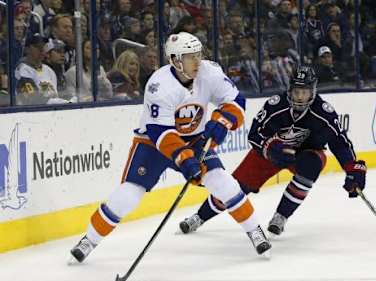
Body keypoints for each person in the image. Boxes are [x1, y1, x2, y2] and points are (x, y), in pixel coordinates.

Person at [70, 32, 271, 263]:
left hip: (194, 140)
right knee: (129, 194)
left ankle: (254, 230)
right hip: (152, 144)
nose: (197, 61)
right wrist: (184, 158)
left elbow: (236, 101)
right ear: (175, 60)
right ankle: (90, 239)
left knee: (222, 182)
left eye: (198, 55)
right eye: (189, 57)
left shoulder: (210, 71)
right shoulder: (158, 85)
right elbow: (160, 133)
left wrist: (224, 120)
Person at [179, 65, 366, 237]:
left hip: (304, 155)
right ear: (289, 89)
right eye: (296, 91)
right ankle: (200, 217)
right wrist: (268, 148)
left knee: (313, 163)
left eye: (304, 92)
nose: (300, 96)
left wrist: (352, 168)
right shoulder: (276, 104)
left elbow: (340, 142)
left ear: (313, 91)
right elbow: (254, 134)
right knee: (235, 188)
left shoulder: (324, 113)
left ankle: (281, 217)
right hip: (269, 153)